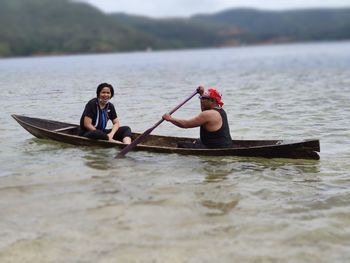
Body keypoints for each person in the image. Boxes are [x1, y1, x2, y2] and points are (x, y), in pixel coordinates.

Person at [162, 86, 232, 148]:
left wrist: (170, 119)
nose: (201, 100)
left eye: (203, 98)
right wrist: (201, 94)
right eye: (201, 98)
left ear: (212, 100)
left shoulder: (208, 114)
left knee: (180, 144)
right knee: (198, 140)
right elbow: (203, 110)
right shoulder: (220, 110)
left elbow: (185, 124)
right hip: (226, 145)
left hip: (214, 147)